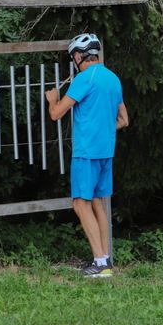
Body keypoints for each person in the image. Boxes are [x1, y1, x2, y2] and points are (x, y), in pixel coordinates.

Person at [46, 33, 129, 278]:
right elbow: (123, 120)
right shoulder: (113, 78)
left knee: (80, 203)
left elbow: (56, 114)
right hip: (106, 150)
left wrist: (53, 100)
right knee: (97, 203)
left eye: (74, 57)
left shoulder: (84, 78)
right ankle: (105, 261)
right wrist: (104, 127)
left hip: (86, 151)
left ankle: (100, 262)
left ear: (79, 56)